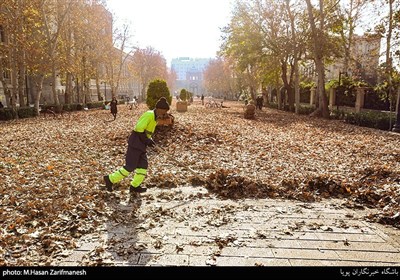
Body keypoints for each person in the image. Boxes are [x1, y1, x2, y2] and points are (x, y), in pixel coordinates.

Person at [103, 97, 170, 194]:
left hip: (141, 145)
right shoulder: (149, 115)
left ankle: (135, 186)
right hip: (135, 143)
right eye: (164, 111)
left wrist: (150, 140)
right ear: (159, 109)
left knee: (143, 166)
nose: (165, 113)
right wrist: (146, 140)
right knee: (130, 167)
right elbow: (139, 129)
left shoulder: (155, 118)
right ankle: (110, 179)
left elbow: (147, 131)